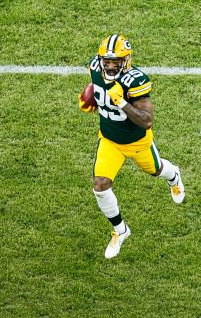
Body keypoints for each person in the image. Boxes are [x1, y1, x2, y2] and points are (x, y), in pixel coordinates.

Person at [79, 33, 185, 258]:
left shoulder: (136, 81)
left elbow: (146, 120)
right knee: (100, 184)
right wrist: (92, 100)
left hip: (137, 142)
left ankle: (173, 176)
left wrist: (122, 102)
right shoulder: (94, 68)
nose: (108, 66)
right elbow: (97, 86)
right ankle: (120, 230)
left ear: (125, 61)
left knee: (155, 170)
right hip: (109, 140)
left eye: (114, 62)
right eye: (106, 61)